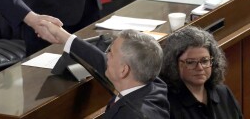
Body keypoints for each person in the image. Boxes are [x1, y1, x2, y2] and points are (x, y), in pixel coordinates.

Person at [39, 21, 170, 118]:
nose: (106, 56)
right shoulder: (153, 84)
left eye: (111, 53)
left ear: (124, 70)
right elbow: (101, 61)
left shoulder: (131, 115)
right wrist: (63, 36)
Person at [160, 26, 243, 118]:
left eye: (205, 61)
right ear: (174, 64)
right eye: (190, 62)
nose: (200, 68)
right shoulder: (166, 103)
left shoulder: (223, 93)